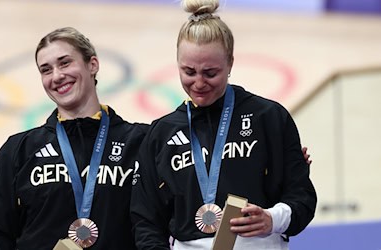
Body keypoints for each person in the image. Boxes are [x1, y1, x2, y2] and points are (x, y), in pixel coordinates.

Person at [130, 0, 317, 249]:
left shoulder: (268, 118)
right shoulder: (161, 133)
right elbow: (146, 220)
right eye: (188, 71)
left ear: (230, 62)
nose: (198, 83)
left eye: (210, 73)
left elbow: (302, 197)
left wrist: (272, 219)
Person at [0, 27, 147, 249]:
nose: (56, 76)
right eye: (46, 70)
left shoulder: (140, 142)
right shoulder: (19, 149)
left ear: (92, 65)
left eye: (65, 63)